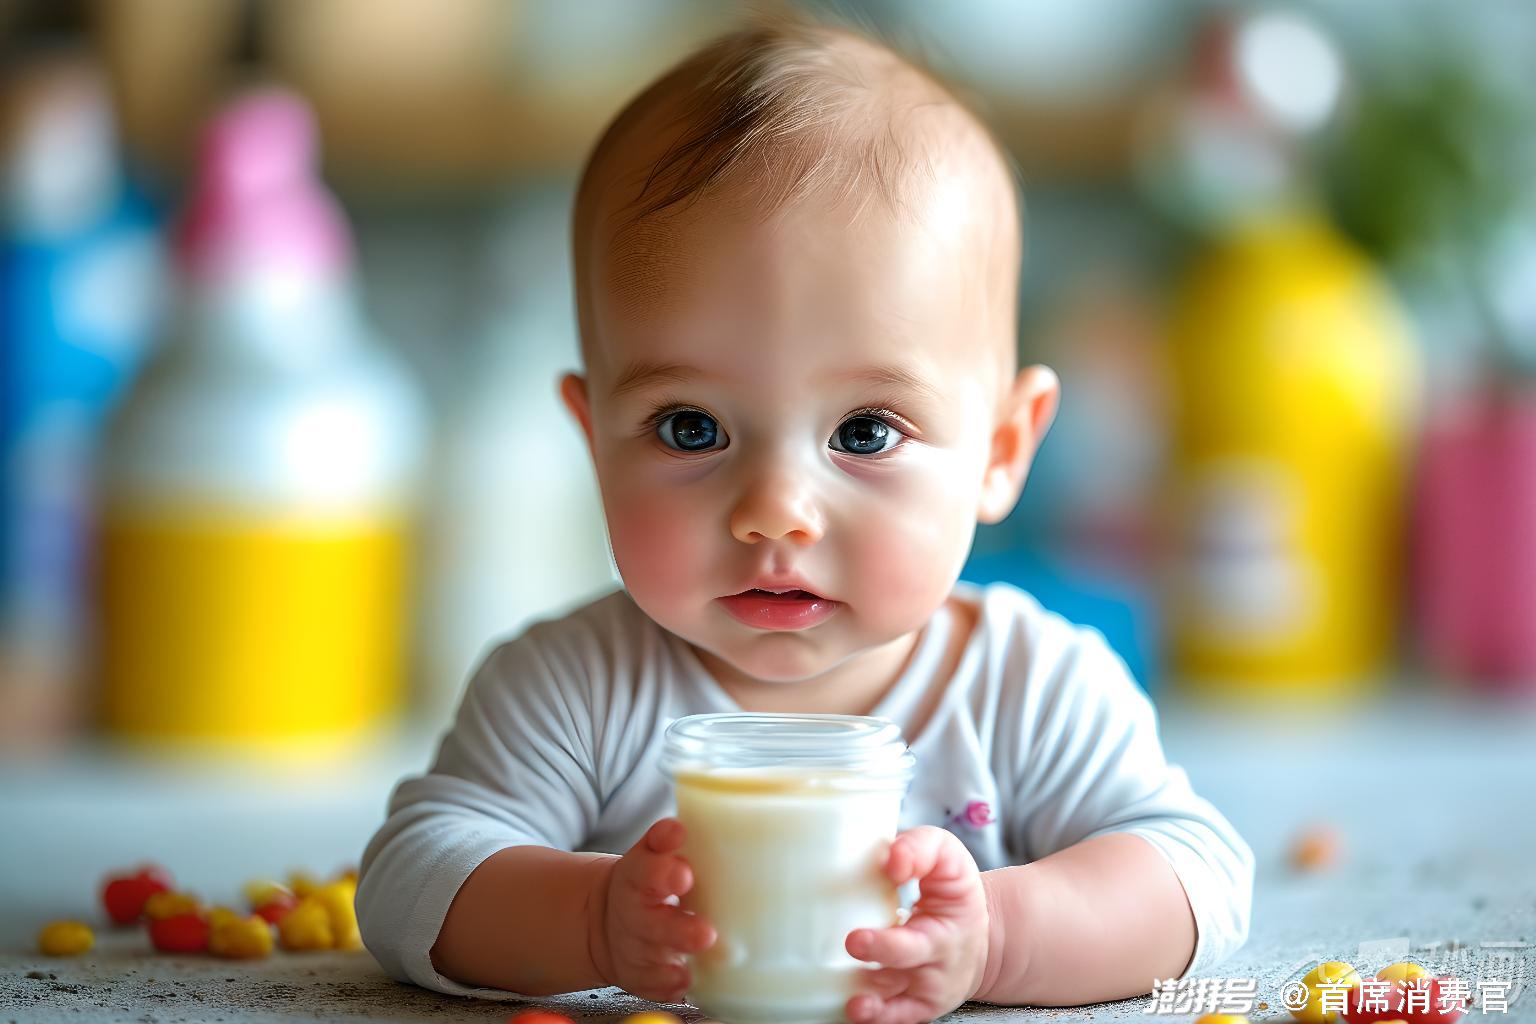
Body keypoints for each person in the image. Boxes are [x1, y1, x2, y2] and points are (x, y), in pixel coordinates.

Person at [357, 12, 1253, 1023]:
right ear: (593, 440)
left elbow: (1197, 875)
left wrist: (999, 934)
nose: (774, 512)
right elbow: (407, 880)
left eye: (865, 432)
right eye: (690, 427)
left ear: (1001, 452)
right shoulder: (576, 686)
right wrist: (593, 920)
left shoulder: (1027, 683)